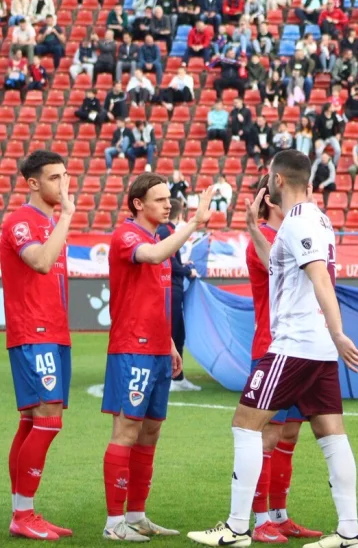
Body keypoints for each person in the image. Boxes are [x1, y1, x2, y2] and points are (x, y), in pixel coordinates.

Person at [187, 150, 358, 548]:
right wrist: (253, 228)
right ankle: (350, 531)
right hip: (315, 347)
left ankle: (236, 528)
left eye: (269, 177)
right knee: (331, 434)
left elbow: (319, 278)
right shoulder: (314, 218)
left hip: (296, 343)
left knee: (245, 424)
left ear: (278, 181)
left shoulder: (300, 221)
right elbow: (281, 269)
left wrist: (339, 332)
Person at [101, 173, 213, 541]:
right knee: (127, 430)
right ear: (138, 203)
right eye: (160, 199)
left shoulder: (158, 238)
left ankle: (136, 515)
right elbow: (153, 256)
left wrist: (168, 342)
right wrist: (194, 222)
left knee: (150, 431)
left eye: (169, 198)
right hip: (132, 349)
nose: (168, 204)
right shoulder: (129, 237)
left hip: (157, 350)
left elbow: (153, 295)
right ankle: (113, 523)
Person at [238, 175, 322, 543]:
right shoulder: (267, 242)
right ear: (272, 200)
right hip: (273, 347)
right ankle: (258, 521)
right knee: (267, 436)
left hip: (302, 349)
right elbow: (278, 270)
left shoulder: (296, 234)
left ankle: (279, 514)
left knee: (289, 435)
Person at [2, 151, 75, 541]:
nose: (63, 185)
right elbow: (42, 262)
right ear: (33, 183)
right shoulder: (19, 222)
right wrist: (65, 214)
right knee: (48, 420)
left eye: (65, 176)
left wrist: (60, 218)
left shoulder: (49, 221)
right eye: (54, 178)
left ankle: (22, 511)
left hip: (54, 332)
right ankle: (23, 513)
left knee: (32, 420)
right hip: (34, 332)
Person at [158, 200, 202, 393]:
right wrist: (187, 271)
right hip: (171, 288)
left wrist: (183, 266)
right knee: (172, 335)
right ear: (180, 215)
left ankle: (178, 376)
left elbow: (172, 261)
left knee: (178, 334)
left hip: (173, 287)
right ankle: (169, 377)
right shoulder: (167, 231)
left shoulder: (165, 230)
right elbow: (169, 263)